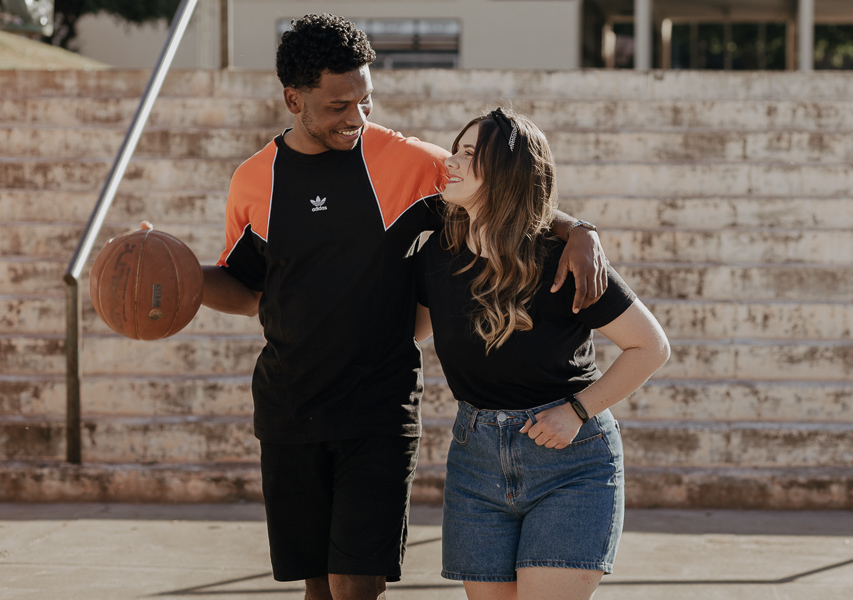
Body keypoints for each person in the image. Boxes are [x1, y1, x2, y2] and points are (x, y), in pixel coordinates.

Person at [199, 14, 609, 600]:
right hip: (289, 406)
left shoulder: (406, 162)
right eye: (338, 106)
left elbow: (500, 194)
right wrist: (182, 279)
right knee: (317, 587)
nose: (357, 117)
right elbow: (248, 291)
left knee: (356, 584)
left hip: (379, 404)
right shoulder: (253, 180)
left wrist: (579, 230)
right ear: (293, 99)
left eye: (365, 99)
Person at [414, 109, 671, 600]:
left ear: (507, 172)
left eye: (469, 154)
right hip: (475, 460)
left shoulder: (565, 259)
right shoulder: (437, 254)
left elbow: (650, 346)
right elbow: (411, 332)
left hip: (571, 463)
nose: (450, 161)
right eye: (455, 149)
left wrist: (577, 411)